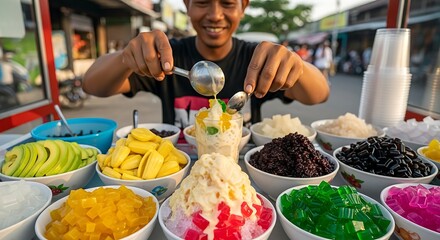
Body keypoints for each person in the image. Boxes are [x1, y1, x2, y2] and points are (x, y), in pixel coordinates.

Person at [83, 0, 329, 128]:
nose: (214, 15)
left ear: (244, 7)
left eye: (228, 3)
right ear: (187, 5)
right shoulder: (166, 56)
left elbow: (319, 95)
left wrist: (296, 65)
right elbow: (93, 85)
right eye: (202, 3)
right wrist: (125, 56)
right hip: (179, 169)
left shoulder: (256, 59)